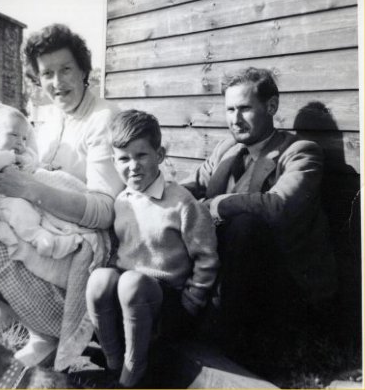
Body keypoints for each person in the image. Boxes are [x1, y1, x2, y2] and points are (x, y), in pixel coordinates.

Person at [0, 23, 125, 370]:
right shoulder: (49, 116)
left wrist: (27, 187)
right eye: (47, 74)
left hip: (85, 239)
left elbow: (104, 211)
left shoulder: (103, 118)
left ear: (84, 70)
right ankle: (12, 310)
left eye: (66, 69)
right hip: (46, 221)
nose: (57, 82)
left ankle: (46, 330)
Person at [182, 67, 338, 356]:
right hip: (223, 277)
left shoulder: (301, 152)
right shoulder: (227, 148)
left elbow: (279, 206)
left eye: (244, 108)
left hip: (284, 286)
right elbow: (189, 188)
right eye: (230, 110)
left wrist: (218, 204)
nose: (235, 119)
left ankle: (232, 345)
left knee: (245, 224)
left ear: (271, 106)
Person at [86, 110, 219, 388]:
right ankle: (113, 362)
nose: (133, 166)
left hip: (168, 303)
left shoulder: (181, 202)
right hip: (127, 300)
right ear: (114, 161)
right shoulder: (122, 201)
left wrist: (191, 303)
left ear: (160, 155)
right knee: (99, 279)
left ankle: (134, 368)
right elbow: (117, 248)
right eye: (124, 159)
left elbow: (206, 258)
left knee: (132, 283)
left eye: (141, 155)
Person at [0, 104, 102, 286]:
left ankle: (70, 221)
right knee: (20, 212)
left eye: (24, 138)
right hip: (3, 199)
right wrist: (13, 158)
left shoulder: (22, 152)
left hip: (28, 193)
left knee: (57, 184)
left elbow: (33, 162)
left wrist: (31, 162)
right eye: (14, 135)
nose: (20, 143)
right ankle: (37, 236)